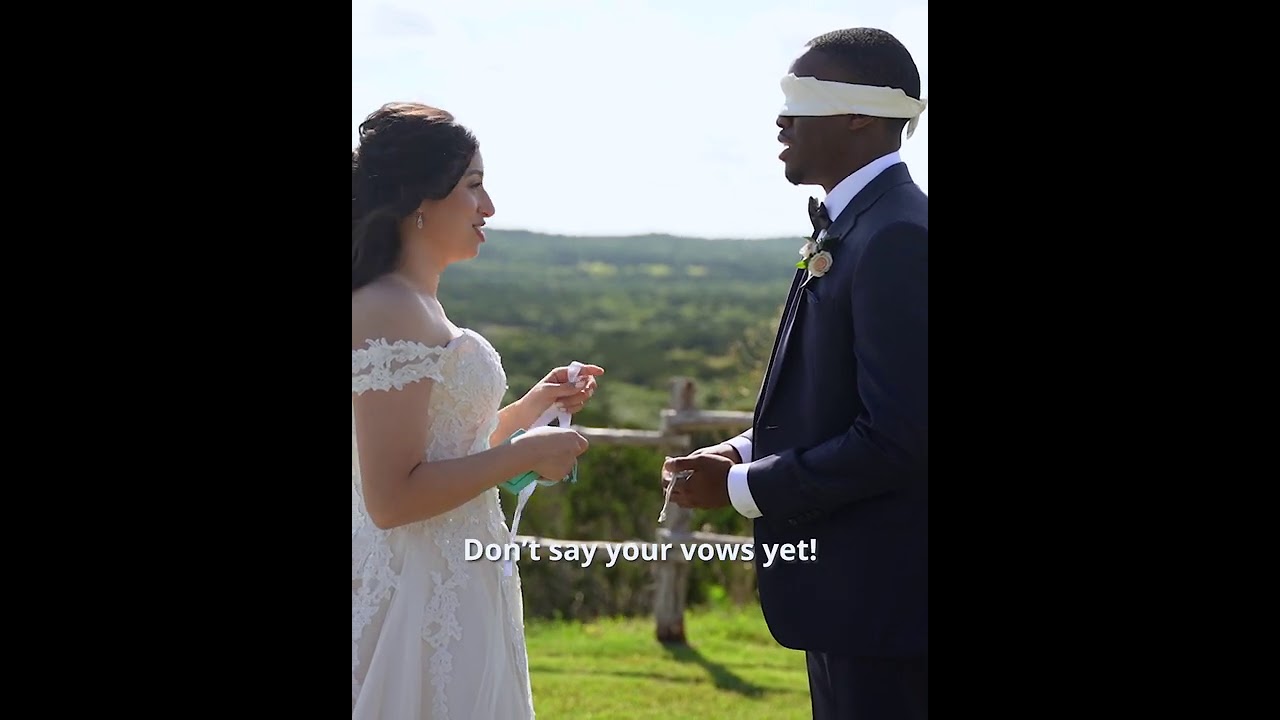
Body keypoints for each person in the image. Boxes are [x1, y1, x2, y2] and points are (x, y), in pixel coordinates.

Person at [663, 28, 928, 720]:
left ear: (860, 114)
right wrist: (742, 449)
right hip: (852, 604)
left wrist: (745, 488)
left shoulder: (897, 236)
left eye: (799, 98)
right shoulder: (856, 226)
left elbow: (900, 437)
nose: (781, 120)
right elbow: (836, 397)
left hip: (888, 606)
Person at [351, 102, 604, 719]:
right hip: (417, 591)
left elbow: (443, 450)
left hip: (459, 578)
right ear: (421, 199)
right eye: (473, 187)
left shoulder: (416, 303)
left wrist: (526, 411)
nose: (488, 207)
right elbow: (393, 499)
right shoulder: (387, 307)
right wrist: (522, 456)